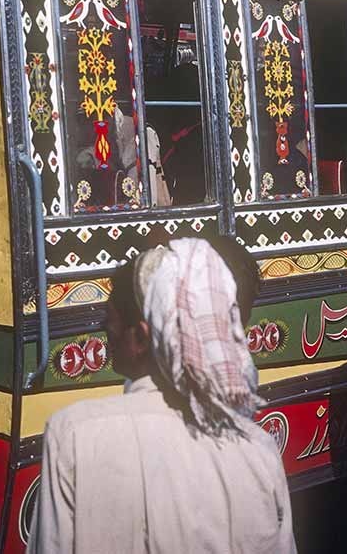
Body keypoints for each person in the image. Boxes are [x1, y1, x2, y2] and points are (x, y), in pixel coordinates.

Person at [28, 237, 296, 554]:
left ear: (141, 337)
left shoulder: (74, 433)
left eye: (110, 322)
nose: (105, 331)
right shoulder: (258, 449)